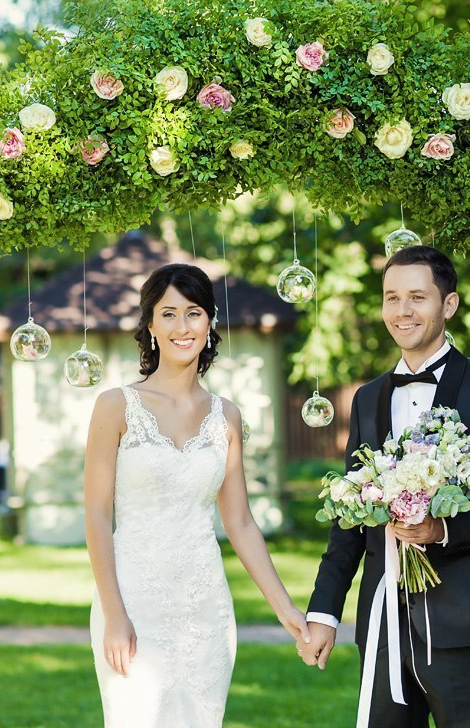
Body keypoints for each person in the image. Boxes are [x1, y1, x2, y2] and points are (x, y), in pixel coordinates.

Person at [300, 245, 470, 727]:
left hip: (462, 623)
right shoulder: (367, 400)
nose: (402, 311)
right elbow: (351, 514)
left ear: (447, 305)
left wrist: (443, 530)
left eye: (417, 297)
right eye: (391, 297)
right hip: (383, 621)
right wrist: (325, 612)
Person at [84, 263, 309, 728]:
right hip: (132, 603)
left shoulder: (225, 417)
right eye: (168, 314)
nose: (181, 327)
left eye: (193, 313)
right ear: (150, 324)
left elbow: (241, 524)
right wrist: (113, 614)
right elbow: (95, 515)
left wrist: (286, 610)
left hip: (205, 609)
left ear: (210, 322)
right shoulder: (115, 406)